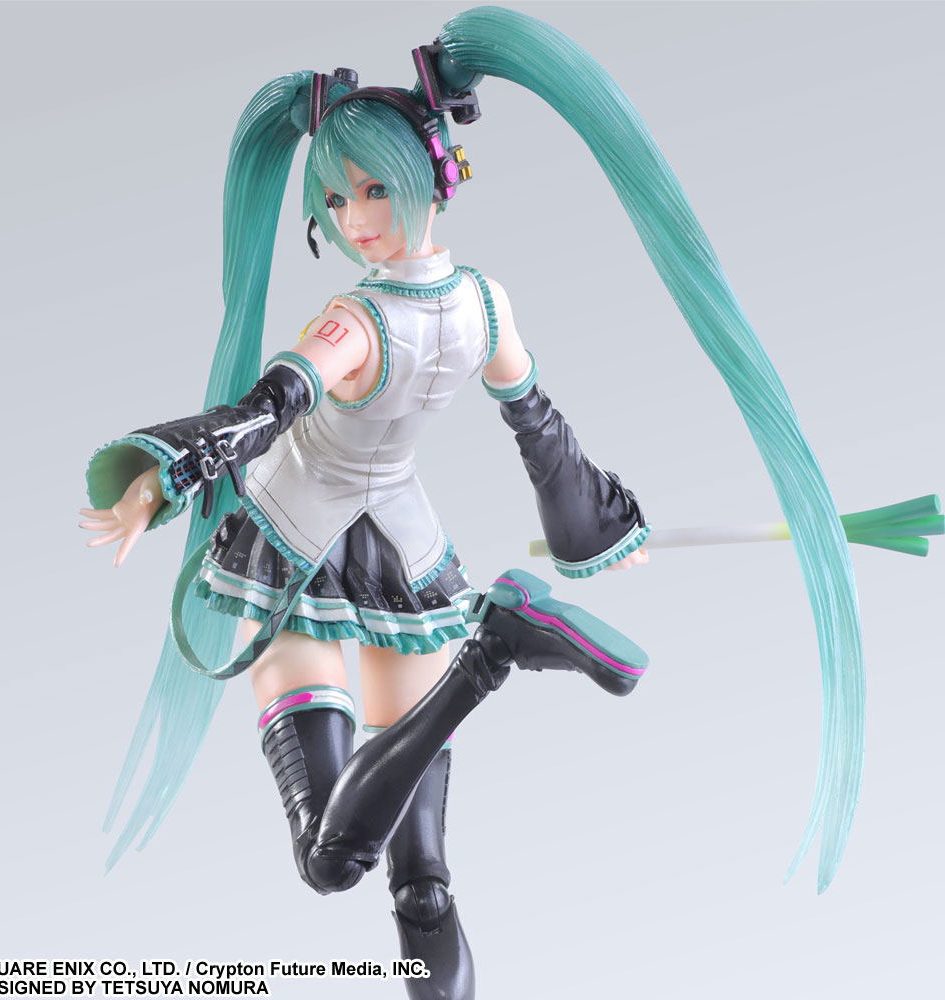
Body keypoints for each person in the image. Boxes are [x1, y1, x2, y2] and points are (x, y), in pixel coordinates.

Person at [81, 7, 866, 997]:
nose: (355, 218)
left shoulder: (353, 320)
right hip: (406, 561)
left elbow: (268, 410)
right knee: (422, 886)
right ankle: (496, 643)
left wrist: (165, 479)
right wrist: (595, 530)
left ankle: (492, 652)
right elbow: (535, 425)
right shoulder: (485, 304)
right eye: (335, 198)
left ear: (435, 175)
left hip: (291, 559)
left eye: (375, 189)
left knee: (330, 861)